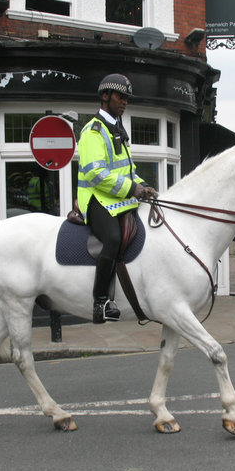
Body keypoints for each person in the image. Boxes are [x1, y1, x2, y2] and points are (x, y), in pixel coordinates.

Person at [77, 73, 156, 324]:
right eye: (120, 96)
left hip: (116, 198)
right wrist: (132, 189)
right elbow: (96, 174)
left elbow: (127, 170)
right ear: (105, 96)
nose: (124, 102)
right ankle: (100, 302)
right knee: (112, 238)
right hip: (95, 198)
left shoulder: (118, 129)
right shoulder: (94, 131)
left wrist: (143, 186)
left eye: (126, 98)